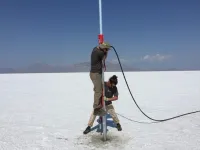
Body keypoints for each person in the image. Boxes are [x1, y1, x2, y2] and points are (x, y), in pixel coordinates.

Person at [90, 42, 112, 115]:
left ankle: (97, 105)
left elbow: (100, 48)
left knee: (98, 89)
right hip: (96, 74)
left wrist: (104, 47)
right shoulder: (100, 53)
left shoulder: (95, 49)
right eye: (107, 49)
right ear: (104, 49)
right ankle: (96, 108)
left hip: (93, 74)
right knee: (98, 91)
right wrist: (106, 52)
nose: (107, 50)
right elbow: (104, 58)